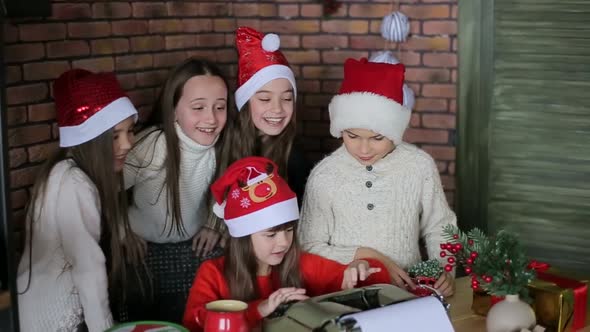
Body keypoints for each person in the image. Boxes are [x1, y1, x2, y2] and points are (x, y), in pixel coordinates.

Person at [299, 58, 457, 297]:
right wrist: (366, 254)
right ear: (340, 129)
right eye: (352, 136)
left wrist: (445, 270)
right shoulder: (325, 176)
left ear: (395, 131)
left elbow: (440, 225)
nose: (364, 149)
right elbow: (308, 246)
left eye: (377, 138)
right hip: (343, 296)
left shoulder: (419, 166)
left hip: (408, 294)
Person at [182, 157, 390, 331]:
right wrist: (260, 309)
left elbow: (377, 277)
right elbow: (193, 324)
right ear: (244, 236)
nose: (283, 242)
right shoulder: (213, 273)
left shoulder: (301, 264)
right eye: (270, 235)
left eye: (289, 231)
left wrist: (357, 267)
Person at [17, 69, 144, 331]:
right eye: (115, 136)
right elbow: (88, 269)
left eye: (130, 131)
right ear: (91, 140)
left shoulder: (64, 171)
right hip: (55, 317)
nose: (128, 144)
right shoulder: (74, 183)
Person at [122, 58, 230, 322]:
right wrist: (121, 231)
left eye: (220, 107)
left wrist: (214, 224)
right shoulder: (153, 145)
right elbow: (105, 192)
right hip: (142, 249)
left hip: (190, 247)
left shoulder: (222, 145)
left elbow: (228, 190)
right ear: (173, 111)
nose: (211, 118)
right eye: (198, 107)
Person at [212, 27, 310, 227]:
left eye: (287, 98)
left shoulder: (295, 157)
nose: (277, 109)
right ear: (245, 102)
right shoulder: (225, 142)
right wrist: (213, 226)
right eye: (265, 98)